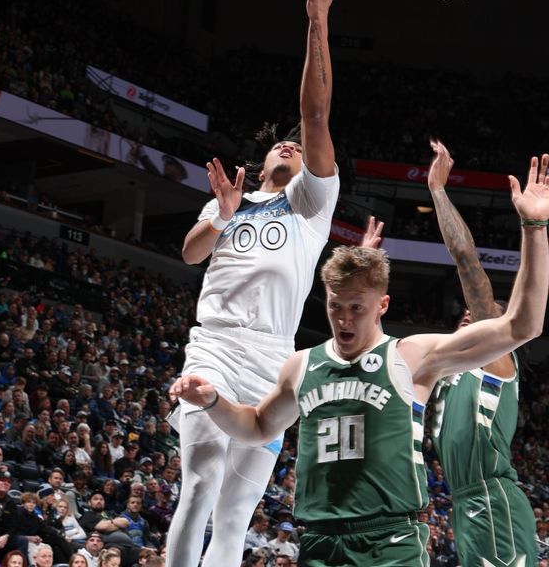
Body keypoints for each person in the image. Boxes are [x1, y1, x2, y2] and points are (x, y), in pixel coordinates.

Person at [170, 154, 549, 565]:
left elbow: (521, 324)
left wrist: (534, 227)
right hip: (319, 541)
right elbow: (258, 425)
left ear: (383, 305)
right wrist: (213, 402)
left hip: (392, 542)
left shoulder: (412, 356)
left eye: (357, 308)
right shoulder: (302, 365)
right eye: (336, 307)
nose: (344, 319)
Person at [167, 0, 343, 565]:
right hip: (214, 346)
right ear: (263, 157)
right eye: (279, 144)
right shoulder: (230, 204)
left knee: (238, 515)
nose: (290, 145)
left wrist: (317, 19)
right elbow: (190, 252)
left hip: (274, 360)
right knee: (199, 487)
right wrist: (220, 215)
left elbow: (315, 118)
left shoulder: (312, 206)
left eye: (296, 146)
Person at [426, 140, 537, 567]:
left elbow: (465, 258)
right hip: (466, 505)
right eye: (468, 315)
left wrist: (438, 191)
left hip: (493, 501)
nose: (473, 315)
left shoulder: (493, 361)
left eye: (483, 315)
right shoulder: (444, 375)